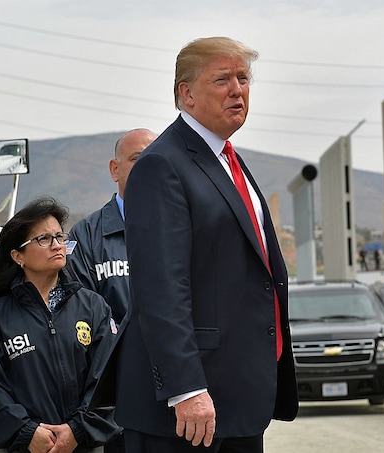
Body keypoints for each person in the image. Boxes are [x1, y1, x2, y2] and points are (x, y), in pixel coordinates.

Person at [115, 37, 298, 452]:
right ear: (187, 93)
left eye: (243, 78)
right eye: (222, 79)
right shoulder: (162, 165)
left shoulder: (228, 160)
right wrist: (185, 388)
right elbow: (161, 287)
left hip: (237, 398)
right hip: (189, 409)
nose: (238, 89)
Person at [0, 196, 120, 452]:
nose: (57, 245)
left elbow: (110, 379)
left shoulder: (93, 307)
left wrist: (76, 430)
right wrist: (27, 433)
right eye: (44, 239)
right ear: (18, 256)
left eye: (60, 237)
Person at [68, 128, 157, 323]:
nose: (146, 167)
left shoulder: (184, 227)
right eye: (136, 159)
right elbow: (79, 312)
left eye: (154, 159)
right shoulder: (86, 236)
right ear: (115, 170)